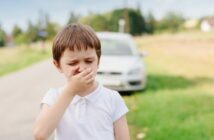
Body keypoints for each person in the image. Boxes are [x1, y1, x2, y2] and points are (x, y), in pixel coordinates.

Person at [33, 23, 130, 140]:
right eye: (73, 63)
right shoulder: (53, 97)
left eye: (89, 61)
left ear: (98, 61)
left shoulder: (112, 98)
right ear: (58, 65)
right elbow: (40, 134)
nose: (82, 68)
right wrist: (71, 90)